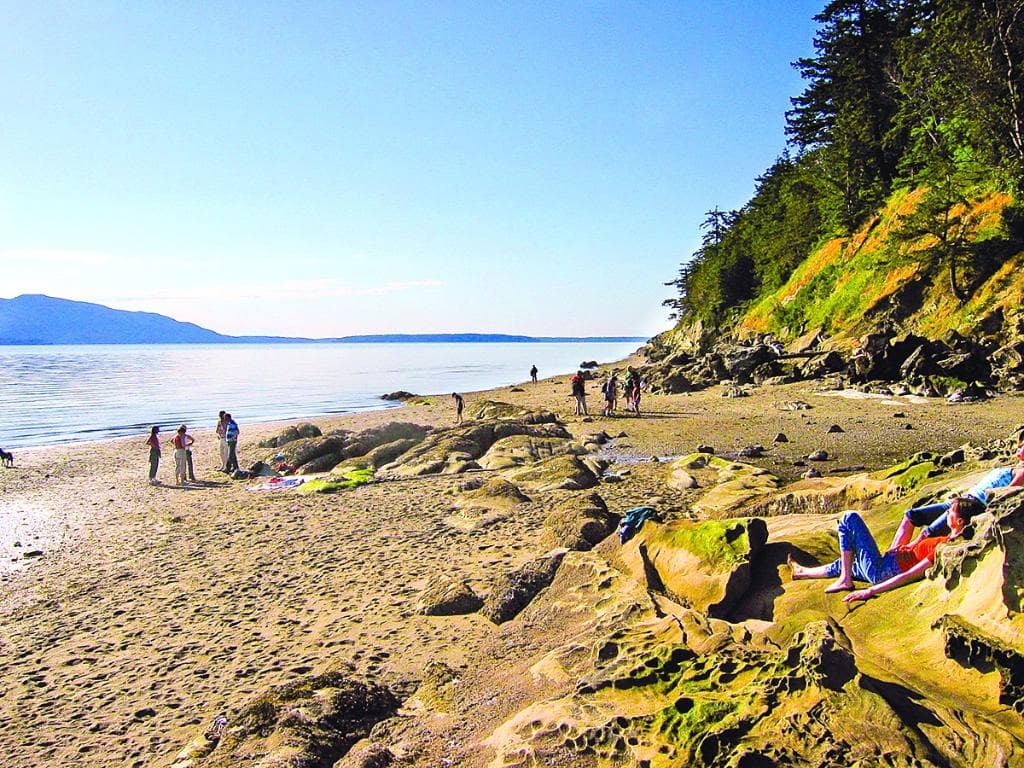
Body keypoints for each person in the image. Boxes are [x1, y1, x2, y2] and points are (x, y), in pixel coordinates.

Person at [789, 497, 984, 603]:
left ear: (959, 521)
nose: (947, 512)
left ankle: (845, 580)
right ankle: (803, 572)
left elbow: (910, 574)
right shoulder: (950, 538)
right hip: (887, 563)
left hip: (883, 570)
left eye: (951, 511)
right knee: (849, 563)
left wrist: (870, 591)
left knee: (849, 519)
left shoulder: (944, 547)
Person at [889, 454, 1024, 550]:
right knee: (911, 516)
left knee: (927, 533)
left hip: (972, 505)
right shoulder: (1015, 467)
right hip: (962, 498)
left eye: (1022, 446)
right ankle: (893, 553)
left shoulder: (1022, 472)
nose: (1019, 447)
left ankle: (901, 558)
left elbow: (1005, 493)